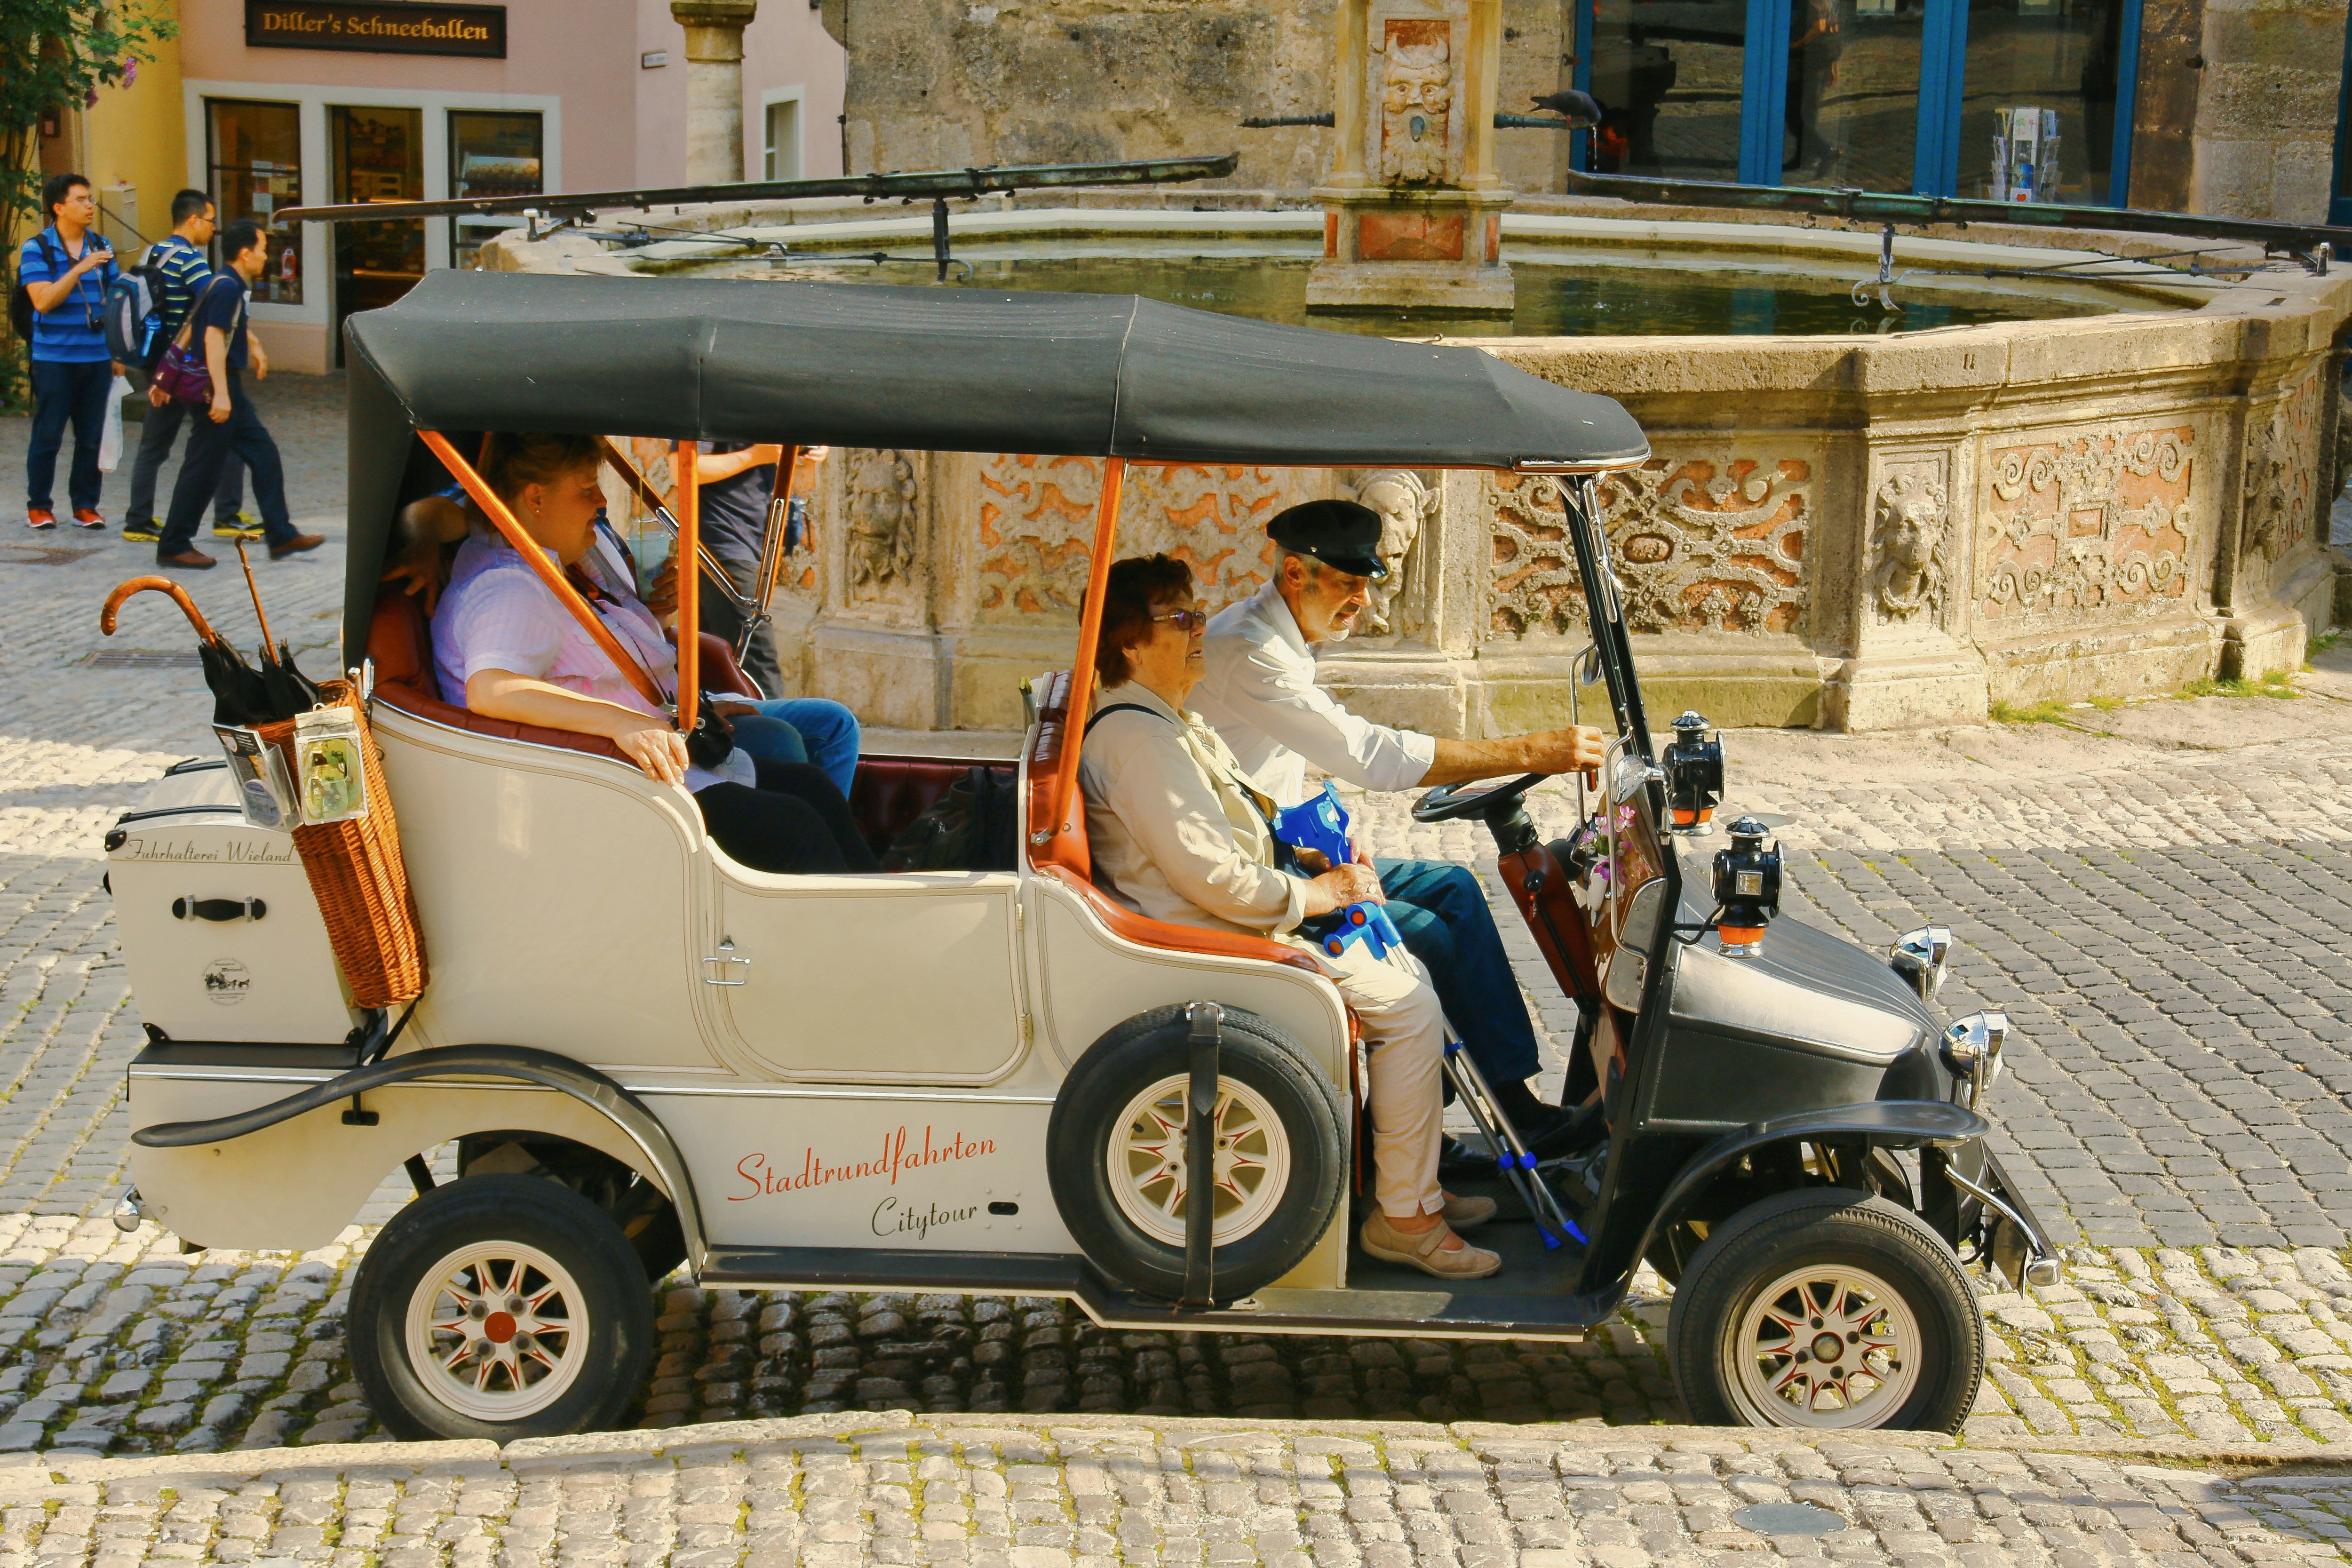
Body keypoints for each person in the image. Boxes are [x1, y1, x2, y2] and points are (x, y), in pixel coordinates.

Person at [1079, 553, 1499, 1281]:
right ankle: (1403, 1218)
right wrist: (1320, 895)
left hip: (1219, 917)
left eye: (1196, 609)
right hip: (1207, 938)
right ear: (1130, 644)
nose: (1199, 626)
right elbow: (1213, 877)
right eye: (1179, 617)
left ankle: (1409, 1182)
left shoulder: (1162, 721)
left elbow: (1227, 829)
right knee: (1409, 1004)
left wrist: (1300, 856)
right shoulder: (1140, 739)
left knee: (1412, 958)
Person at [1190, 498, 1608, 1164]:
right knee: (1425, 933)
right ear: (1296, 575)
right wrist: (1530, 752)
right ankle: (1412, 1141)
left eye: (1365, 584)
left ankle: (1516, 1104)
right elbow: (1370, 755)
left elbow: (1284, 762)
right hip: (1256, 869)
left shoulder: (1282, 637)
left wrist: (1337, 831)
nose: (1362, 600)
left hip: (1286, 843)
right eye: (1347, 585)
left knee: (1455, 888)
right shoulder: (1250, 650)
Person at [430, 432, 876, 876]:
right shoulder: (512, 587)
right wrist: (624, 724)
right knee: (795, 826)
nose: (601, 501)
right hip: (598, 785)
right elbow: (493, 691)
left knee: (813, 788)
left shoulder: (552, 561)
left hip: (639, 767)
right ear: (535, 499)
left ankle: (874, 909)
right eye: (587, 490)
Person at [663, 440, 862, 797]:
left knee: (728, 670)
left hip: (754, 536)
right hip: (719, 547)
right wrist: (762, 455)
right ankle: (791, 800)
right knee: (758, 663)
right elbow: (683, 467)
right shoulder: (710, 395)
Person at [152, 222, 323, 570]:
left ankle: (281, 533)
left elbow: (198, 326)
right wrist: (221, 395)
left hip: (224, 386)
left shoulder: (222, 283)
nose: (265, 256)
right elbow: (212, 338)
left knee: (264, 454)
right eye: (262, 249)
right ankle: (174, 544)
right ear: (245, 253)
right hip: (216, 386)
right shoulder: (227, 287)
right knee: (203, 468)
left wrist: (255, 349)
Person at [121, 190, 255, 546]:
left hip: (159, 366)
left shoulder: (151, 252)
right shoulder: (192, 261)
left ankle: (138, 519)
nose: (214, 229)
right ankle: (227, 514)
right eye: (211, 221)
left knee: (153, 445)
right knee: (222, 434)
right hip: (189, 366)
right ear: (194, 220)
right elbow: (218, 306)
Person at [19, 173, 119, 533]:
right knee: (48, 435)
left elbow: (116, 302)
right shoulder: (38, 249)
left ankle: (86, 505)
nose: (90, 205)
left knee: (91, 436)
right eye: (80, 199)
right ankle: (40, 506)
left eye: (90, 198)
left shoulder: (102, 245)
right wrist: (79, 268)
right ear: (59, 208)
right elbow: (43, 301)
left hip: (96, 356)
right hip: (54, 359)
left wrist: (119, 352)